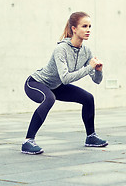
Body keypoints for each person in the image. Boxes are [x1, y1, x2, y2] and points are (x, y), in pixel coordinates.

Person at [22, 11, 108, 155]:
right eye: (84, 26)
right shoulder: (61, 49)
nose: (88, 30)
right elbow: (65, 78)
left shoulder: (86, 51)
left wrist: (98, 70)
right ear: (74, 29)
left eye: (90, 26)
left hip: (56, 86)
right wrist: (89, 68)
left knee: (88, 98)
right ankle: (28, 141)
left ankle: (91, 137)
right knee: (49, 98)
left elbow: (97, 81)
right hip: (35, 83)